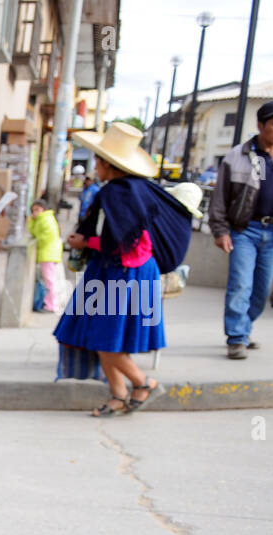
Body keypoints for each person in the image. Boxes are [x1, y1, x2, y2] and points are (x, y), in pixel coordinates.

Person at [53, 122, 191, 417]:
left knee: (106, 339)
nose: (95, 165)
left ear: (107, 163)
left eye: (98, 160)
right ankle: (118, 395)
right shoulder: (139, 189)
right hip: (126, 272)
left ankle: (144, 383)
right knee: (104, 339)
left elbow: (124, 243)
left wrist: (84, 241)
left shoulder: (119, 192)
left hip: (123, 275)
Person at [208, 100, 273, 359]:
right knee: (240, 285)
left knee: (261, 290)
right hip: (244, 231)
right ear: (260, 125)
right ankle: (236, 337)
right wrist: (220, 230)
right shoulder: (239, 155)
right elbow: (220, 196)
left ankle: (244, 327)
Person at [27, 201, 62, 312]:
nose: (35, 212)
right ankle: (49, 303)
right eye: (33, 210)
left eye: (37, 209)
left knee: (49, 280)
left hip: (48, 254)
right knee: (48, 280)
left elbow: (46, 237)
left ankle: (52, 305)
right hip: (46, 254)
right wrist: (31, 220)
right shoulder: (40, 220)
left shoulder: (46, 219)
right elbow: (33, 232)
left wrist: (38, 243)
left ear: (43, 209)